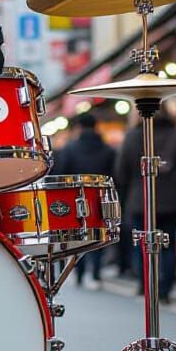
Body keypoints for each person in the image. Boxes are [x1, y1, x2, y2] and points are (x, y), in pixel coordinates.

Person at [116, 112, 176, 301]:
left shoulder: (132, 136)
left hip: (139, 200)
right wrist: (173, 174)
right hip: (170, 200)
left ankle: (145, 287)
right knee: (168, 245)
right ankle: (165, 291)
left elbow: (120, 172)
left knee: (141, 245)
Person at [52, 113, 116, 289]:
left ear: (79, 127)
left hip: (75, 199)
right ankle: (95, 274)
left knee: (78, 237)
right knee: (97, 234)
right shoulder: (108, 149)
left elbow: (61, 174)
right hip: (99, 197)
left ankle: (79, 274)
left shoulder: (69, 149)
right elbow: (114, 175)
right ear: (96, 126)